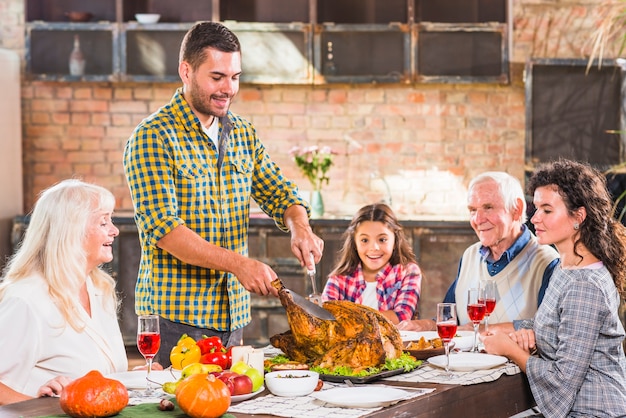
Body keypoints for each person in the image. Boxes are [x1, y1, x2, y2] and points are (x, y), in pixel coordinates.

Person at [123, 21, 323, 364]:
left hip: (231, 318)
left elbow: (280, 192)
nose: (228, 89)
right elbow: (166, 231)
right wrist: (240, 265)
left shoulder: (242, 133)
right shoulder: (152, 138)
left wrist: (300, 227)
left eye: (235, 77)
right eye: (217, 77)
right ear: (186, 71)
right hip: (176, 320)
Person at [482, 159, 626, 417]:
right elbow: (561, 327)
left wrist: (509, 349)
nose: (535, 218)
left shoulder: (585, 284)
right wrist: (528, 333)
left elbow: (562, 381)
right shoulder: (566, 267)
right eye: (535, 208)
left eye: (547, 210)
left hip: (595, 411)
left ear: (578, 217)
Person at [0, 179, 128, 405]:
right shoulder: (27, 300)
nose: (115, 230)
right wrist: (37, 402)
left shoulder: (100, 289)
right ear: (72, 230)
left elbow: (104, 374)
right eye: (103, 222)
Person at [397, 172, 559, 332]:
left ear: (516, 209)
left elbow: (548, 331)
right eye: (473, 210)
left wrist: (482, 330)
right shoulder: (470, 255)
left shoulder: (547, 262)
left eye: (488, 207)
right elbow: (452, 319)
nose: (478, 219)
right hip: (463, 358)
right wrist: (424, 326)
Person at [321, 203, 422, 324]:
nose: (374, 247)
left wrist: (346, 319)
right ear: (355, 243)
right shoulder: (338, 279)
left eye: (382, 240)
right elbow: (325, 318)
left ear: (395, 241)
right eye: (364, 240)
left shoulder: (408, 272)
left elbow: (401, 316)